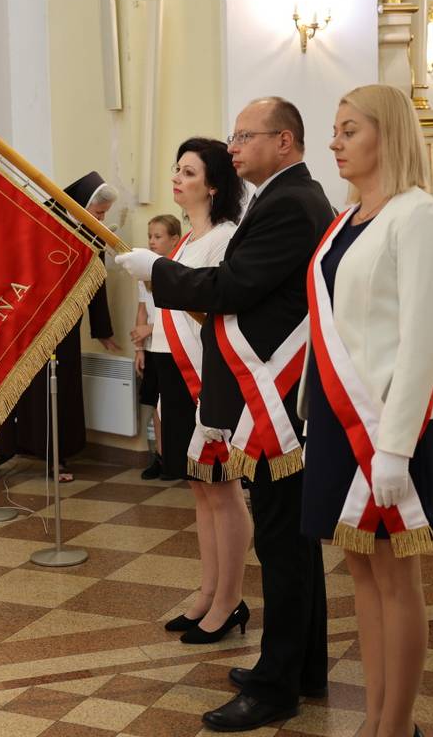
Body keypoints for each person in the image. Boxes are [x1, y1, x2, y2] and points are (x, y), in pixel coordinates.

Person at [116, 97, 332, 730]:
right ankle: (303, 667)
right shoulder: (283, 197)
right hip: (268, 389)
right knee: (290, 540)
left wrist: (159, 271)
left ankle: (276, 687)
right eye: (232, 137)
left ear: (284, 140)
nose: (233, 146)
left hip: (274, 393)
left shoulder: (290, 202)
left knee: (282, 543)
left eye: (245, 136)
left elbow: (233, 287)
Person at [302, 84, 433, 737]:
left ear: (387, 134)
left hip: (389, 422)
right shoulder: (346, 221)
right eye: (335, 130)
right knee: (360, 570)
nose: (334, 142)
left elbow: (422, 339)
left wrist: (394, 446)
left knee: (397, 578)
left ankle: (397, 725)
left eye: (349, 129)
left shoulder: (421, 216)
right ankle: (372, 718)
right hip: (338, 418)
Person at [149, 138, 243, 644]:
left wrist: (163, 278)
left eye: (188, 172)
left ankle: (230, 598)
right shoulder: (187, 239)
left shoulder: (225, 238)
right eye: (177, 169)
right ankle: (208, 590)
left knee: (223, 491)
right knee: (200, 488)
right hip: (180, 373)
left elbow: (217, 312)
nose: (177, 178)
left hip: (211, 378)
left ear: (213, 185)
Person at [0, 172, 118, 482]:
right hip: (27, 321)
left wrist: (102, 330)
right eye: (98, 212)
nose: (101, 219)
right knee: (16, 387)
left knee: (59, 390)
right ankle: (2, 450)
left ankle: (56, 457)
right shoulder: (43, 223)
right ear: (80, 205)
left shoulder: (92, 235)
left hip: (65, 325)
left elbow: (96, 283)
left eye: (104, 214)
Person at [131, 214, 181, 480]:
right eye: (150, 236)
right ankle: (161, 456)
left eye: (158, 236)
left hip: (173, 348)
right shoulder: (145, 273)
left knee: (172, 405)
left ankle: (178, 458)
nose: (151, 241)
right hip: (152, 349)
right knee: (155, 405)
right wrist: (139, 349)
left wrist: (150, 329)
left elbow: (179, 314)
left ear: (174, 239)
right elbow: (142, 311)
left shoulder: (180, 271)